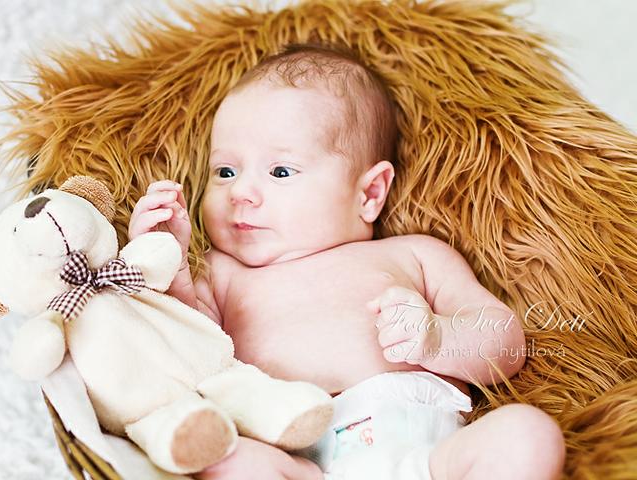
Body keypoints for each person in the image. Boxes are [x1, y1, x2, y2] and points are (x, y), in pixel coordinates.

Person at [128, 43, 565, 480]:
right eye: (226, 172)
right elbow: (187, 349)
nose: (240, 192)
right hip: (303, 463)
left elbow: (505, 341)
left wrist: (438, 339)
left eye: (280, 171)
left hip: (429, 458)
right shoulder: (222, 273)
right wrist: (166, 263)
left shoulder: (415, 255)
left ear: (369, 193)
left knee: (527, 432)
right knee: (226, 460)